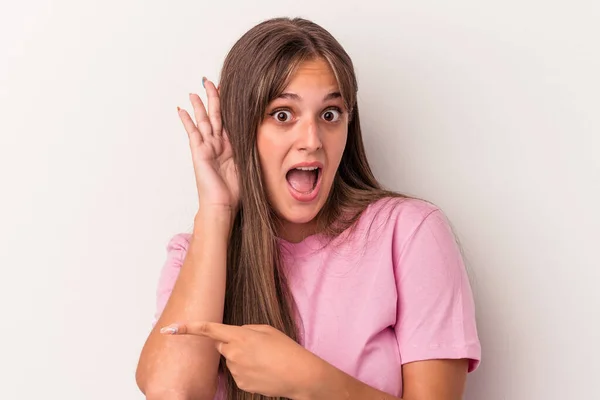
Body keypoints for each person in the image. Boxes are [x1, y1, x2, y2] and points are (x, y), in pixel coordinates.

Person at [135, 16, 481, 400]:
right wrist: (216, 211)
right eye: (282, 114)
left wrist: (310, 380)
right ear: (240, 127)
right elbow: (172, 392)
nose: (312, 139)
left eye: (330, 114)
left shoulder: (410, 233)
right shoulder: (196, 254)